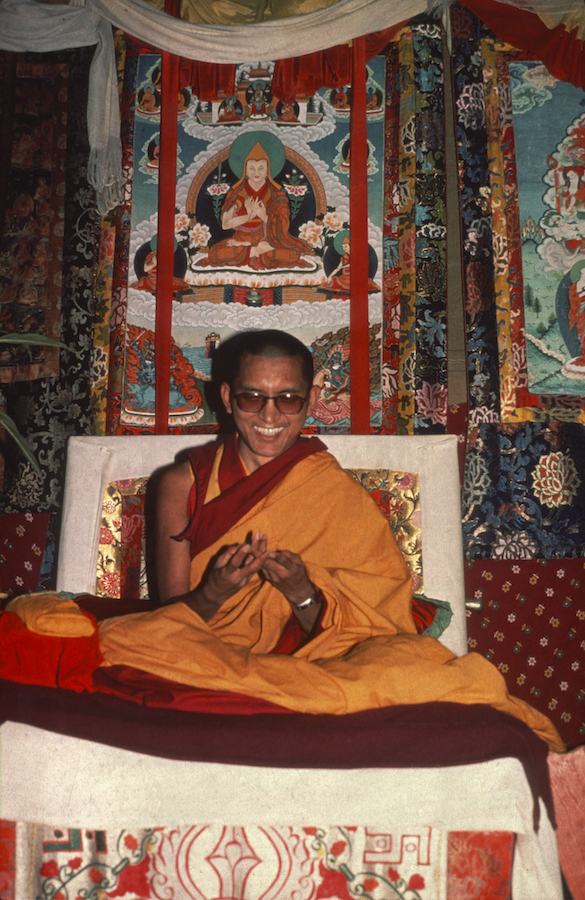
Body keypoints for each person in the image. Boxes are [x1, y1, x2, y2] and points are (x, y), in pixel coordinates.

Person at [98, 330, 563, 752]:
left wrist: (301, 591)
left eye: (288, 400)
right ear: (225, 397)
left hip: (316, 663)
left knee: (413, 662)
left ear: (313, 399)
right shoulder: (183, 484)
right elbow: (168, 626)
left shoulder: (332, 489)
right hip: (208, 655)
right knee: (125, 643)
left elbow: (376, 626)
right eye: (251, 398)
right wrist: (214, 593)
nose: (268, 416)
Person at [198, 141, 313, 270]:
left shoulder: (277, 195)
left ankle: (249, 253)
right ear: (245, 171)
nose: (256, 172)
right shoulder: (236, 194)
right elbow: (225, 224)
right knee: (215, 253)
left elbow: (282, 228)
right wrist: (248, 216)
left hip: (268, 241)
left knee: (292, 255)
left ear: (267, 171)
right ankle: (255, 252)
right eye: (252, 168)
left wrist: (263, 216)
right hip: (241, 240)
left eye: (261, 168)